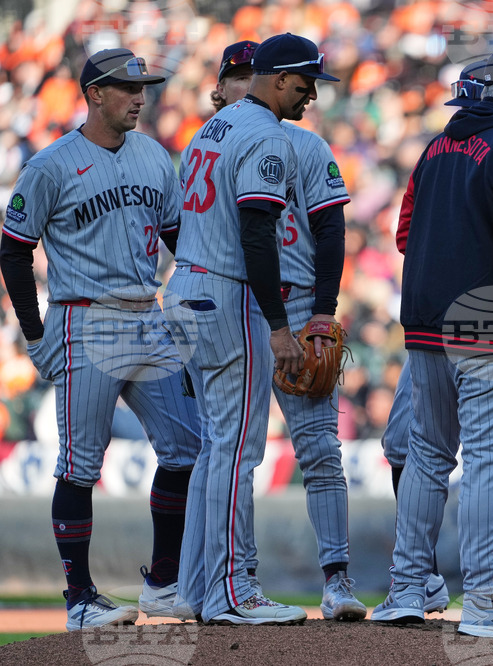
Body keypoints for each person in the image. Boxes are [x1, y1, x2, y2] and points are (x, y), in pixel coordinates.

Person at [0, 48, 201, 631]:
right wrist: (36, 333)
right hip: (85, 318)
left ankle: (163, 584)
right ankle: (80, 598)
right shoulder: (50, 165)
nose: (140, 97)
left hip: (148, 314)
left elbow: (177, 238)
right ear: (93, 93)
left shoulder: (154, 156)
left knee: (186, 449)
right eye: (126, 88)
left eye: (144, 87)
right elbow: (13, 250)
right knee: (81, 464)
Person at [370, 44, 493, 640]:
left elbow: (405, 234)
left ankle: (406, 588)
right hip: (491, 327)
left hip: (426, 326)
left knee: (427, 457)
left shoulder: (434, 150)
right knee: (489, 465)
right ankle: (485, 598)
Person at [165, 33, 337, 626]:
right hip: (226, 292)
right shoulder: (266, 134)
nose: (312, 94)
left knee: (216, 449)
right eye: (307, 82)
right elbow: (258, 232)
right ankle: (233, 590)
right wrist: (279, 324)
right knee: (237, 452)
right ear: (280, 77)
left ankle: (197, 588)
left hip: (186, 288)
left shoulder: (211, 128)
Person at [205, 40, 367, 622]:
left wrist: (322, 312)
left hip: (293, 305)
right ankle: (235, 579)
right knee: (232, 454)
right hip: (238, 306)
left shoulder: (303, 142)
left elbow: (330, 229)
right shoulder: (220, 143)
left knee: (318, 451)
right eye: (236, 74)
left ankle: (337, 580)